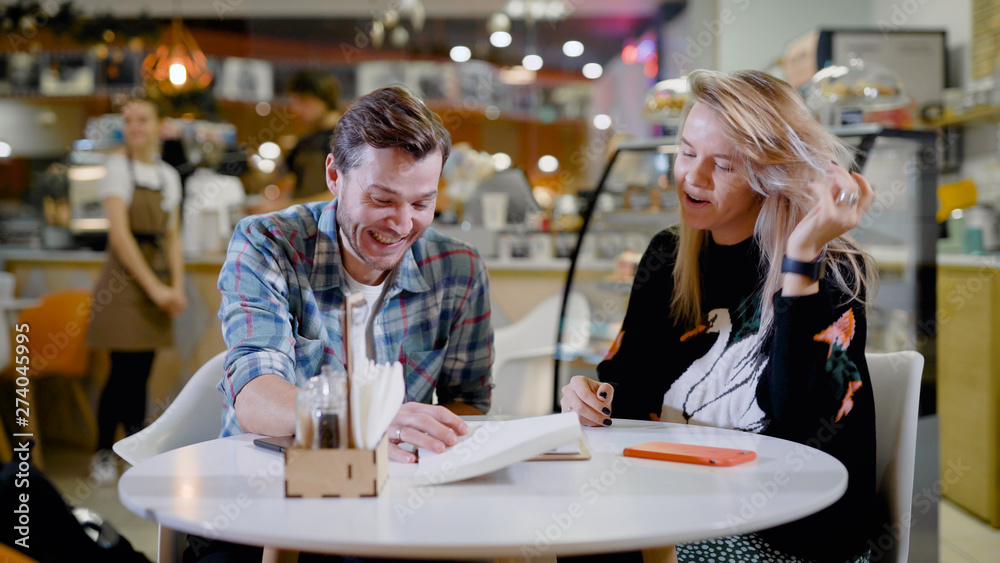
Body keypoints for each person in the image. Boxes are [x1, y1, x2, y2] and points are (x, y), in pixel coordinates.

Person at [560, 69, 877, 563]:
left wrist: (800, 257)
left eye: (724, 166)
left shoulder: (828, 270)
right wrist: (589, 396)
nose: (693, 177)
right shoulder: (668, 255)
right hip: (681, 495)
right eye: (686, 152)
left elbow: (797, 423)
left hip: (793, 529)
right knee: (586, 531)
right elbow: (627, 387)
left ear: (768, 176)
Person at [86, 97, 187, 485]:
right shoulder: (116, 169)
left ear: (158, 125)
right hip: (123, 283)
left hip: (158, 278)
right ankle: (101, 453)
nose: (135, 127)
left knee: (141, 373)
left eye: (142, 119)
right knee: (120, 373)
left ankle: (131, 450)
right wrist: (156, 289)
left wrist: (175, 286)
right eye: (128, 121)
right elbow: (121, 237)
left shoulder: (167, 175)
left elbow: (173, 237)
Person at [248, 70, 342, 214]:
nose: (296, 108)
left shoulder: (346, 139)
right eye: (294, 101)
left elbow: (339, 197)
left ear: (323, 97)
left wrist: (282, 207)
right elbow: (281, 179)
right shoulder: (305, 141)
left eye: (303, 100)